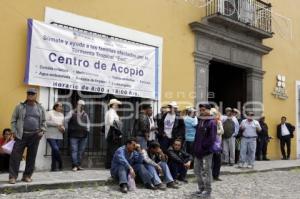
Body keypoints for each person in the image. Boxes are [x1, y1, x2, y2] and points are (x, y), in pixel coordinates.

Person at [9, 88, 46, 184]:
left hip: (35, 135)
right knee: (15, 156)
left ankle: (27, 176)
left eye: (32, 93)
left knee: (31, 157)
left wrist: (42, 131)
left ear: (35, 96)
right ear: (26, 95)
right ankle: (13, 177)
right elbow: (13, 120)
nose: (30, 95)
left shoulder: (40, 108)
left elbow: (44, 121)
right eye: (29, 93)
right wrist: (14, 132)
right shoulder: (20, 106)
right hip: (21, 135)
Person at [193, 104, 217, 198]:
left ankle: (208, 191)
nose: (202, 112)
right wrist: (195, 147)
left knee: (207, 170)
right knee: (196, 170)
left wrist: (203, 146)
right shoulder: (200, 121)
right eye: (201, 110)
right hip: (198, 150)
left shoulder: (212, 122)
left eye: (204, 110)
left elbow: (212, 138)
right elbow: (197, 136)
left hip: (206, 151)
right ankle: (201, 188)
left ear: (209, 110)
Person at [66, 100, 90, 171]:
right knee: (74, 150)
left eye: (82, 105)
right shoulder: (71, 112)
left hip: (83, 135)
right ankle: (75, 165)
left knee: (81, 151)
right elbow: (65, 120)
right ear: (77, 105)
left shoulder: (85, 114)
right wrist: (68, 129)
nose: (81, 106)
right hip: (73, 135)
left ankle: (79, 165)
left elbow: (88, 123)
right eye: (80, 104)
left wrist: (87, 130)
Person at [45, 102, 65, 171]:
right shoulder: (50, 113)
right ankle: (60, 162)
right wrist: (56, 125)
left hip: (59, 135)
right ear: (55, 107)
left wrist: (63, 129)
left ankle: (53, 167)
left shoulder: (61, 115)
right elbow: (46, 122)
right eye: (60, 106)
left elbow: (62, 124)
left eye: (61, 106)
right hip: (50, 135)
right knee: (55, 149)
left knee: (54, 151)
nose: (61, 108)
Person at [105, 99, 122, 169]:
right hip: (113, 134)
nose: (118, 106)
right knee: (113, 150)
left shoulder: (109, 112)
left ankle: (108, 165)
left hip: (110, 133)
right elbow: (112, 123)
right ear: (114, 105)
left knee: (110, 150)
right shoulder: (112, 112)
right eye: (117, 105)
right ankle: (112, 165)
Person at [211, 108, 224, 181]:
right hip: (210, 144)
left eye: (215, 114)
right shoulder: (209, 122)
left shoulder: (219, 122)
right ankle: (209, 175)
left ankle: (216, 175)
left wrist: (215, 132)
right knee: (210, 161)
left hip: (218, 144)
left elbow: (222, 131)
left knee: (218, 161)